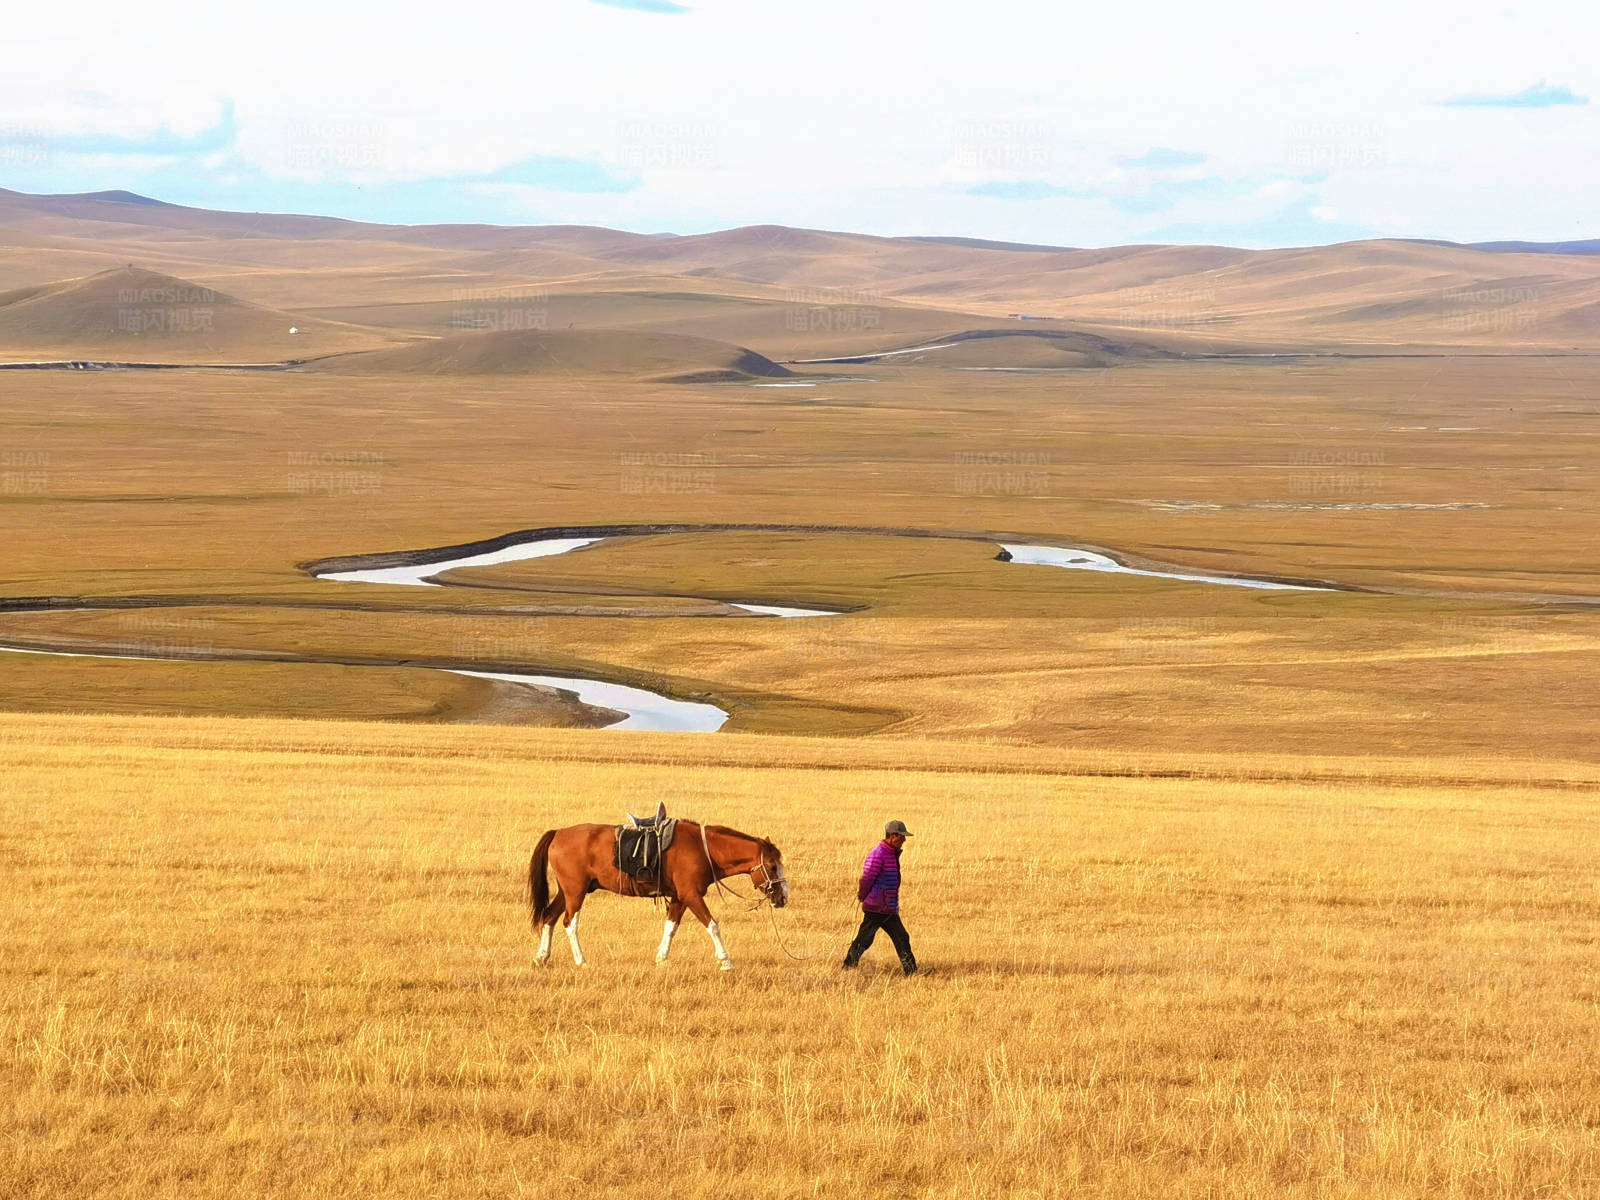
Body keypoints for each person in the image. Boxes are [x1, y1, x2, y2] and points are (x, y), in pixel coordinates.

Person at [842, 820, 918, 975]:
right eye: (901, 836)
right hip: (876, 907)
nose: (904, 840)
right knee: (865, 939)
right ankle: (848, 966)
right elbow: (867, 878)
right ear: (892, 836)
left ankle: (911, 972)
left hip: (888, 907)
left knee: (901, 937)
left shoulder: (891, 854)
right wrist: (863, 895)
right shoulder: (878, 854)